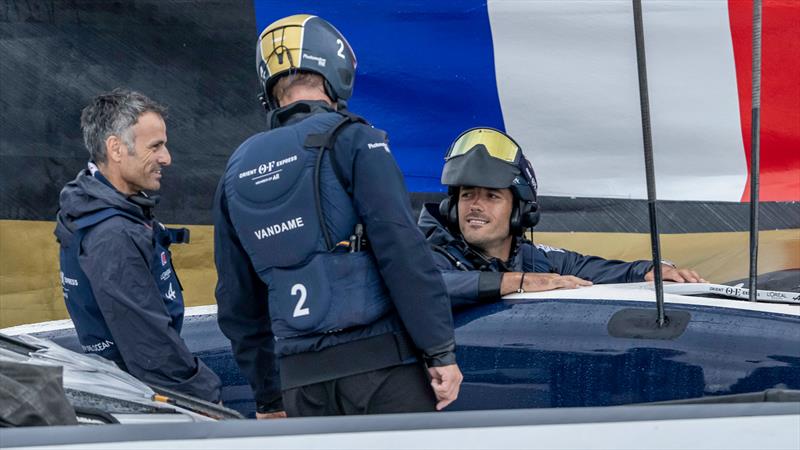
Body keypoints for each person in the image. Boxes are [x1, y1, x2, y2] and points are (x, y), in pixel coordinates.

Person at [213, 14, 462, 418]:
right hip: (381, 372)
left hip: (299, 385)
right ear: (336, 68)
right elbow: (401, 248)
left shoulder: (235, 169)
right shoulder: (355, 138)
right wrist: (440, 350)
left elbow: (236, 298)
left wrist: (268, 396)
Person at [418, 127, 706, 309]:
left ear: (521, 213)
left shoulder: (535, 259)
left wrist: (651, 270)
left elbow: (596, 270)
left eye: (492, 196)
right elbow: (423, 287)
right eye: (468, 195)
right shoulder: (423, 252)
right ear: (451, 207)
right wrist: (517, 282)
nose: (475, 205)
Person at [54, 89, 221, 403]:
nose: (166, 158)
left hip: (121, 381)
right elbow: (151, 352)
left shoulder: (91, 210)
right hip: (146, 393)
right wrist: (206, 398)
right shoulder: (112, 235)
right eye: (155, 146)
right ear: (116, 149)